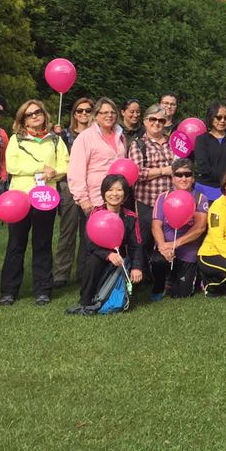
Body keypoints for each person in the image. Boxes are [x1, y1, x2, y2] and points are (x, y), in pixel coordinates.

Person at [2, 99, 68, 307]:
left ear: (44, 114)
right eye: (29, 114)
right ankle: (9, 291)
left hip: (45, 198)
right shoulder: (16, 139)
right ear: (23, 120)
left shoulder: (55, 140)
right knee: (16, 244)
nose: (34, 116)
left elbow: (65, 164)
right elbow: (12, 166)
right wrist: (41, 168)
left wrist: (54, 173)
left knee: (42, 244)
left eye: (38, 112)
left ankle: (42, 290)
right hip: (19, 199)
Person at [66, 98, 127, 299]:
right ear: (96, 116)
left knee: (113, 243)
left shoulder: (120, 135)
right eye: (104, 112)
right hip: (94, 200)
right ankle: (87, 290)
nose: (109, 116)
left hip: (116, 198)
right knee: (91, 247)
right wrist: (83, 200)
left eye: (112, 112)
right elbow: (76, 170)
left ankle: (109, 288)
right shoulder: (85, 138)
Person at [67, 173, 145, 315]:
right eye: (110, 190)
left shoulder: (130, 217)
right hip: (98, 253)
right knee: (92, 263)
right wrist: (108, 255)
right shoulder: (95, 214)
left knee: (134, 276)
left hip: (121, 257)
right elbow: (89, 243)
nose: (114, 194)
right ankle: (85, 301)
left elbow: (136, 245)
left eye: (119, 190)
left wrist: (137, 267)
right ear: (104, 193)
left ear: (125, 194)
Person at [128, 103, 176, 301]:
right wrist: (165, 170)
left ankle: (167, 277)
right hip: (147, 200)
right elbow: (137, 173)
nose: (157, 123)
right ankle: (145, 278)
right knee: (145, 240)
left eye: (161, 120)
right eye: (153, 119)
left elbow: (180, 167)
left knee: (168, 239)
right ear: (145, 121)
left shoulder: (173, 143)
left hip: (171, 202)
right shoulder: (138, 145)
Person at [152, 159, 210, 298]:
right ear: (172, 178)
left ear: (193, 178)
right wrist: (162, 246)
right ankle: (159, 287)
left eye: (188, 174)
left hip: (188, 251)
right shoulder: (163, 197)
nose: (183, 178)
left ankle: (194, 278)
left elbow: (200, 228)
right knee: (157, 261)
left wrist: (175, 244)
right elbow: (156, 226)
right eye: (179, 175)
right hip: (165, 248)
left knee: (181, 294)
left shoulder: (200, 198)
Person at [52, 96, 94, 287]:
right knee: (67, 230)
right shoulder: (64, 135)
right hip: (68, 187)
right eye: (80, 110)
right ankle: (61, 273)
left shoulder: (96, 134)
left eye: (88, 110)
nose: (84, 113)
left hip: (91, 186)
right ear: (74, 114)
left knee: (88, 232)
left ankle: (84, 270)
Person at [192, 101, 226, 188]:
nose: (222, 121)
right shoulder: (202, 140)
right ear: (211, 117)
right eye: (219, 117)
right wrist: (225, 178)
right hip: (206, 187)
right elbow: (203, 166)